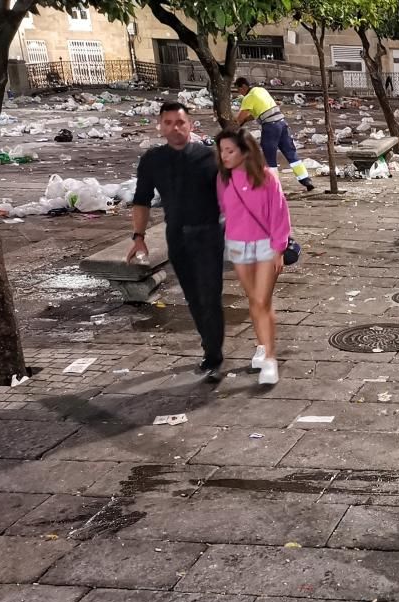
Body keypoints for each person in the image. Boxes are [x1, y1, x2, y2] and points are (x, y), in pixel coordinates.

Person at [127, 102, 225, 382]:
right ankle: (208, 344)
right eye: (168, 122)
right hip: (178, 235)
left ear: (190, 125)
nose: (175, 128)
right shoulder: (152, 160)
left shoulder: (210, 157)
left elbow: (233, 193)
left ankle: (213, 355)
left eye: (180, 122)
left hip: (209, 234)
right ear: (161, 126)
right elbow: (141, 200)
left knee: (210, 296)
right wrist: (139, 237)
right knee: (193, 297)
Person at [215, 128, 290, 385]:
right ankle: (261, 345)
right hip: (237, 246)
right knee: (254, 299)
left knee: (261, 300)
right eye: (221, 151)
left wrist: (279, 248)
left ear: (245, 151)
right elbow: (224, 210)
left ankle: (270, 358)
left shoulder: (268, 178)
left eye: (230, 150)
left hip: (265, 246)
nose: (224, 156)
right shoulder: (224, 179)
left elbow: (280, 215)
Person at [233, 77, 315, 192]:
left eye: (239, 90)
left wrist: (235, 124)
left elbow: (240, 118)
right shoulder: (260, 90)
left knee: (269, 157)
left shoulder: (248, 98)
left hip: (270, 127)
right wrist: (246, 119)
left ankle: (274, 186)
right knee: (290, 152)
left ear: (243, 87)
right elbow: (259, 112)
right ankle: (306, 180)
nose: (239, 93)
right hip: (282, 124)